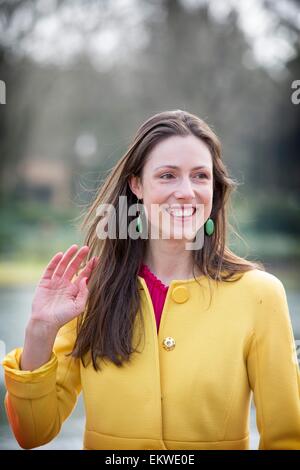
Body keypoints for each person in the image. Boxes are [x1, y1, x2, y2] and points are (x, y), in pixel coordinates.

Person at [2, 110, 300, 450]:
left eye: (200, 176)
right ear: (137, 184)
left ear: (215, 189)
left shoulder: (260, 295)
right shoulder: (90, 292)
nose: (186, 192)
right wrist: (40, 330)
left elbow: (287, 440)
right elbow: (32, 433)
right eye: (168, 175)